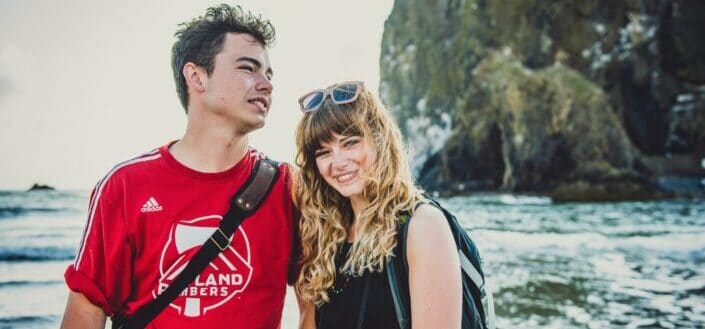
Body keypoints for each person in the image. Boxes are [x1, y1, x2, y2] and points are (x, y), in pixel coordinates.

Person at [60, 4, 298, 329]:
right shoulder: (126, 186)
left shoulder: (288, 187)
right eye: (248, 68)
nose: (266, 84)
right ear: (196, 76)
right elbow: (87, 310)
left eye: (269, 74)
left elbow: (314, 302)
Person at [293, 81, 462, 329]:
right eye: (323, 152)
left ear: (380, 140)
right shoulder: (321, 239)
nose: (337, 162)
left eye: (350, 142)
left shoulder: (421, 226)